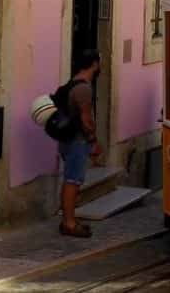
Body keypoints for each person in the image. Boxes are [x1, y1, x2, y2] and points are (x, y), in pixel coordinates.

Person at [59, 50, 102, 238]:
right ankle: (69, 223)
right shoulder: (84, 88)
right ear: (94, 64)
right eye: (98, 63)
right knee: (73, 181)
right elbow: (86, 120)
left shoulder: (72, 83)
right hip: (77, 141)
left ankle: (69, 220)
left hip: (67, 139)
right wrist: (93, 142)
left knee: (72, 180)